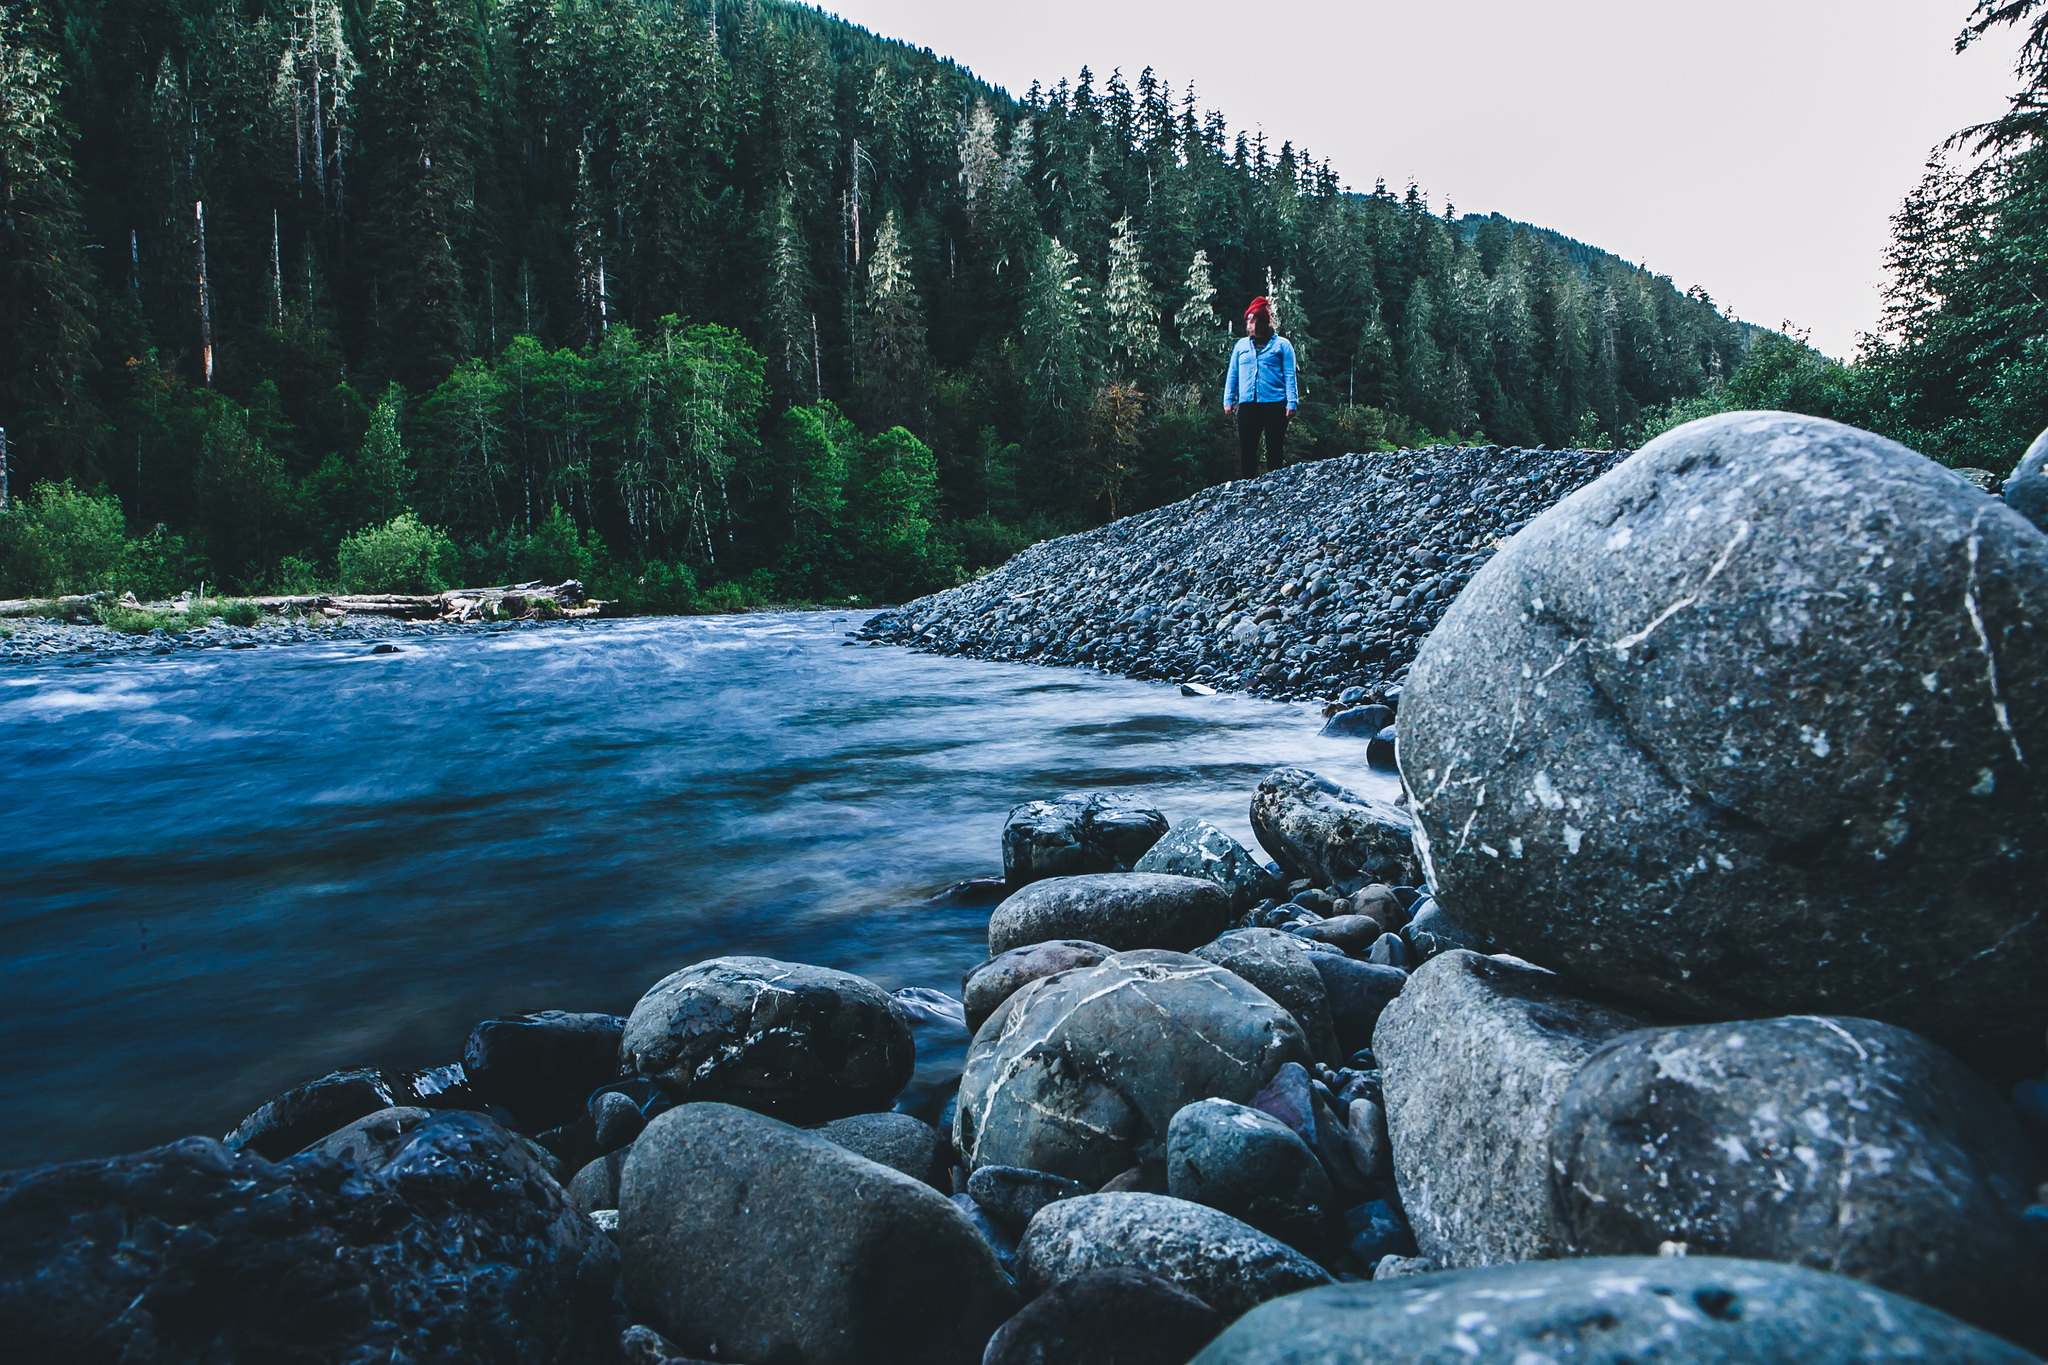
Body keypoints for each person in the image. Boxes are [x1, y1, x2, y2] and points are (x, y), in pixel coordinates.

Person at [1222, 296, 1297, 478]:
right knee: (1247, 447)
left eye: (1252, 322)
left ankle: (1275, 483)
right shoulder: (1241, 346)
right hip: (1248, 403)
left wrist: (1292, 402)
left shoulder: (1282, 345)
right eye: (1247, 322)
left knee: (1274, 445)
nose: (1249, 327)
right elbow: (1232, 373)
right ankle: (1248, 485)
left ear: (1263, 323)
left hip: (1275, 402)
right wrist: (1228, 399)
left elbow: (1290, 375)